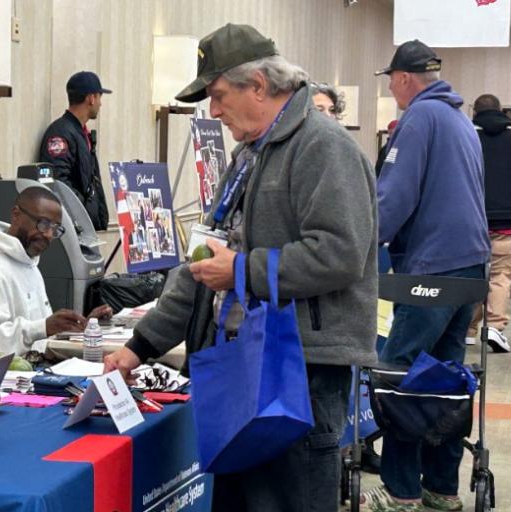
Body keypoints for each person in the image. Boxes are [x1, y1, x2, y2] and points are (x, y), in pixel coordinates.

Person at [104, 23, 378, 512]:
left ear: (258, 85)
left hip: (301, 370)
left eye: (218, 94)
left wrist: (244, 270)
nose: (213, 110)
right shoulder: (248, 156)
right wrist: (139, 346)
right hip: (241, 366)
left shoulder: (323, 147)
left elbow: (341, 253)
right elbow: (203, 265)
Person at [373, 39, 489, 512]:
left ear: (403, 79)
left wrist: (361, 243)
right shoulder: (461, 119)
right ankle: (441, 488)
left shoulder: (420, 117)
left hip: (432, 268)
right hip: (469, 266)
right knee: (445, 379)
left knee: (399, 376)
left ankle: (400, 492)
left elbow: (394, 196)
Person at [0, 186, 111, 360]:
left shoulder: (28, 264)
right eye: (43, 224)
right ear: (16, 214)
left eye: (55, 229)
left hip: (25, 372)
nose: (49, 234)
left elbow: (38, 340)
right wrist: (41, 328)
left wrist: (83, 326)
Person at [464, 94, 511, 353]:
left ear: (475, 111)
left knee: (471, 274)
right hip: (506, 221)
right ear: (501, 111)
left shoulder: (468, 138)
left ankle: (468, 329)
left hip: (472, 221)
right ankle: (494, 325)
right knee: (501, 276)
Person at [38, 71, 111, 231]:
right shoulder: (61, 133)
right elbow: (57, 183)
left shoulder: (80, 133)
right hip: (73, 230)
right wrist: (84, 212)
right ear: (91, 98)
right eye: (99, 97)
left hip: (84, 228)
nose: (100, 103)